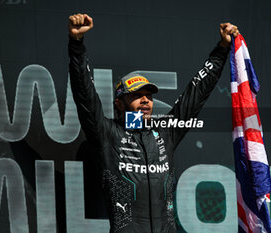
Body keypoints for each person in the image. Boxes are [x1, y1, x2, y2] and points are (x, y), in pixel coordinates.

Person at [68, 13, 239, 233]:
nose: (146, 99)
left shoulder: (166, 132)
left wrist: (222, 49)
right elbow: (85, 95)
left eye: (148, 95)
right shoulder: (107, 133)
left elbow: (195, 95)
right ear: (119, 104)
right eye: (137, 95)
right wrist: (76, 46)